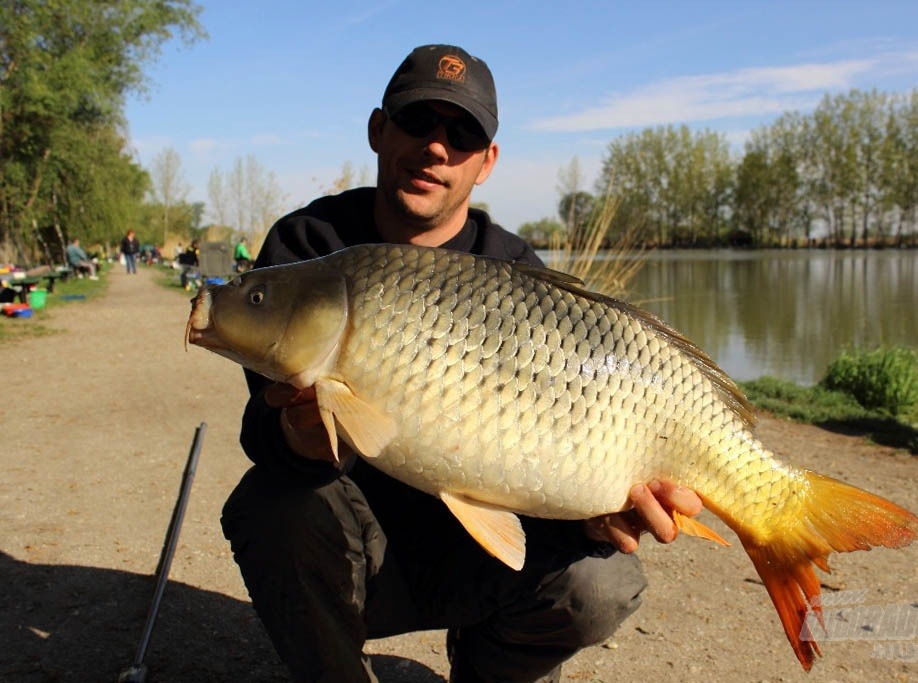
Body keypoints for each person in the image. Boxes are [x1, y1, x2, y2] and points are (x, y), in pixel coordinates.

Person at [221, 44, 703, 683]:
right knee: (270, 507)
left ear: (488, 160)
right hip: (360, 552)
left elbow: (553, 475)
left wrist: (594, 515)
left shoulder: (519, 277)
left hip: (482, 559)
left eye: (464, 133)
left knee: (601, 584)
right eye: (418, 122)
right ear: (378, 129)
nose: (437, 148)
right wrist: (297, 438)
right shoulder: (310, 251)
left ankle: (486, 668)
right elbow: (267, 432)